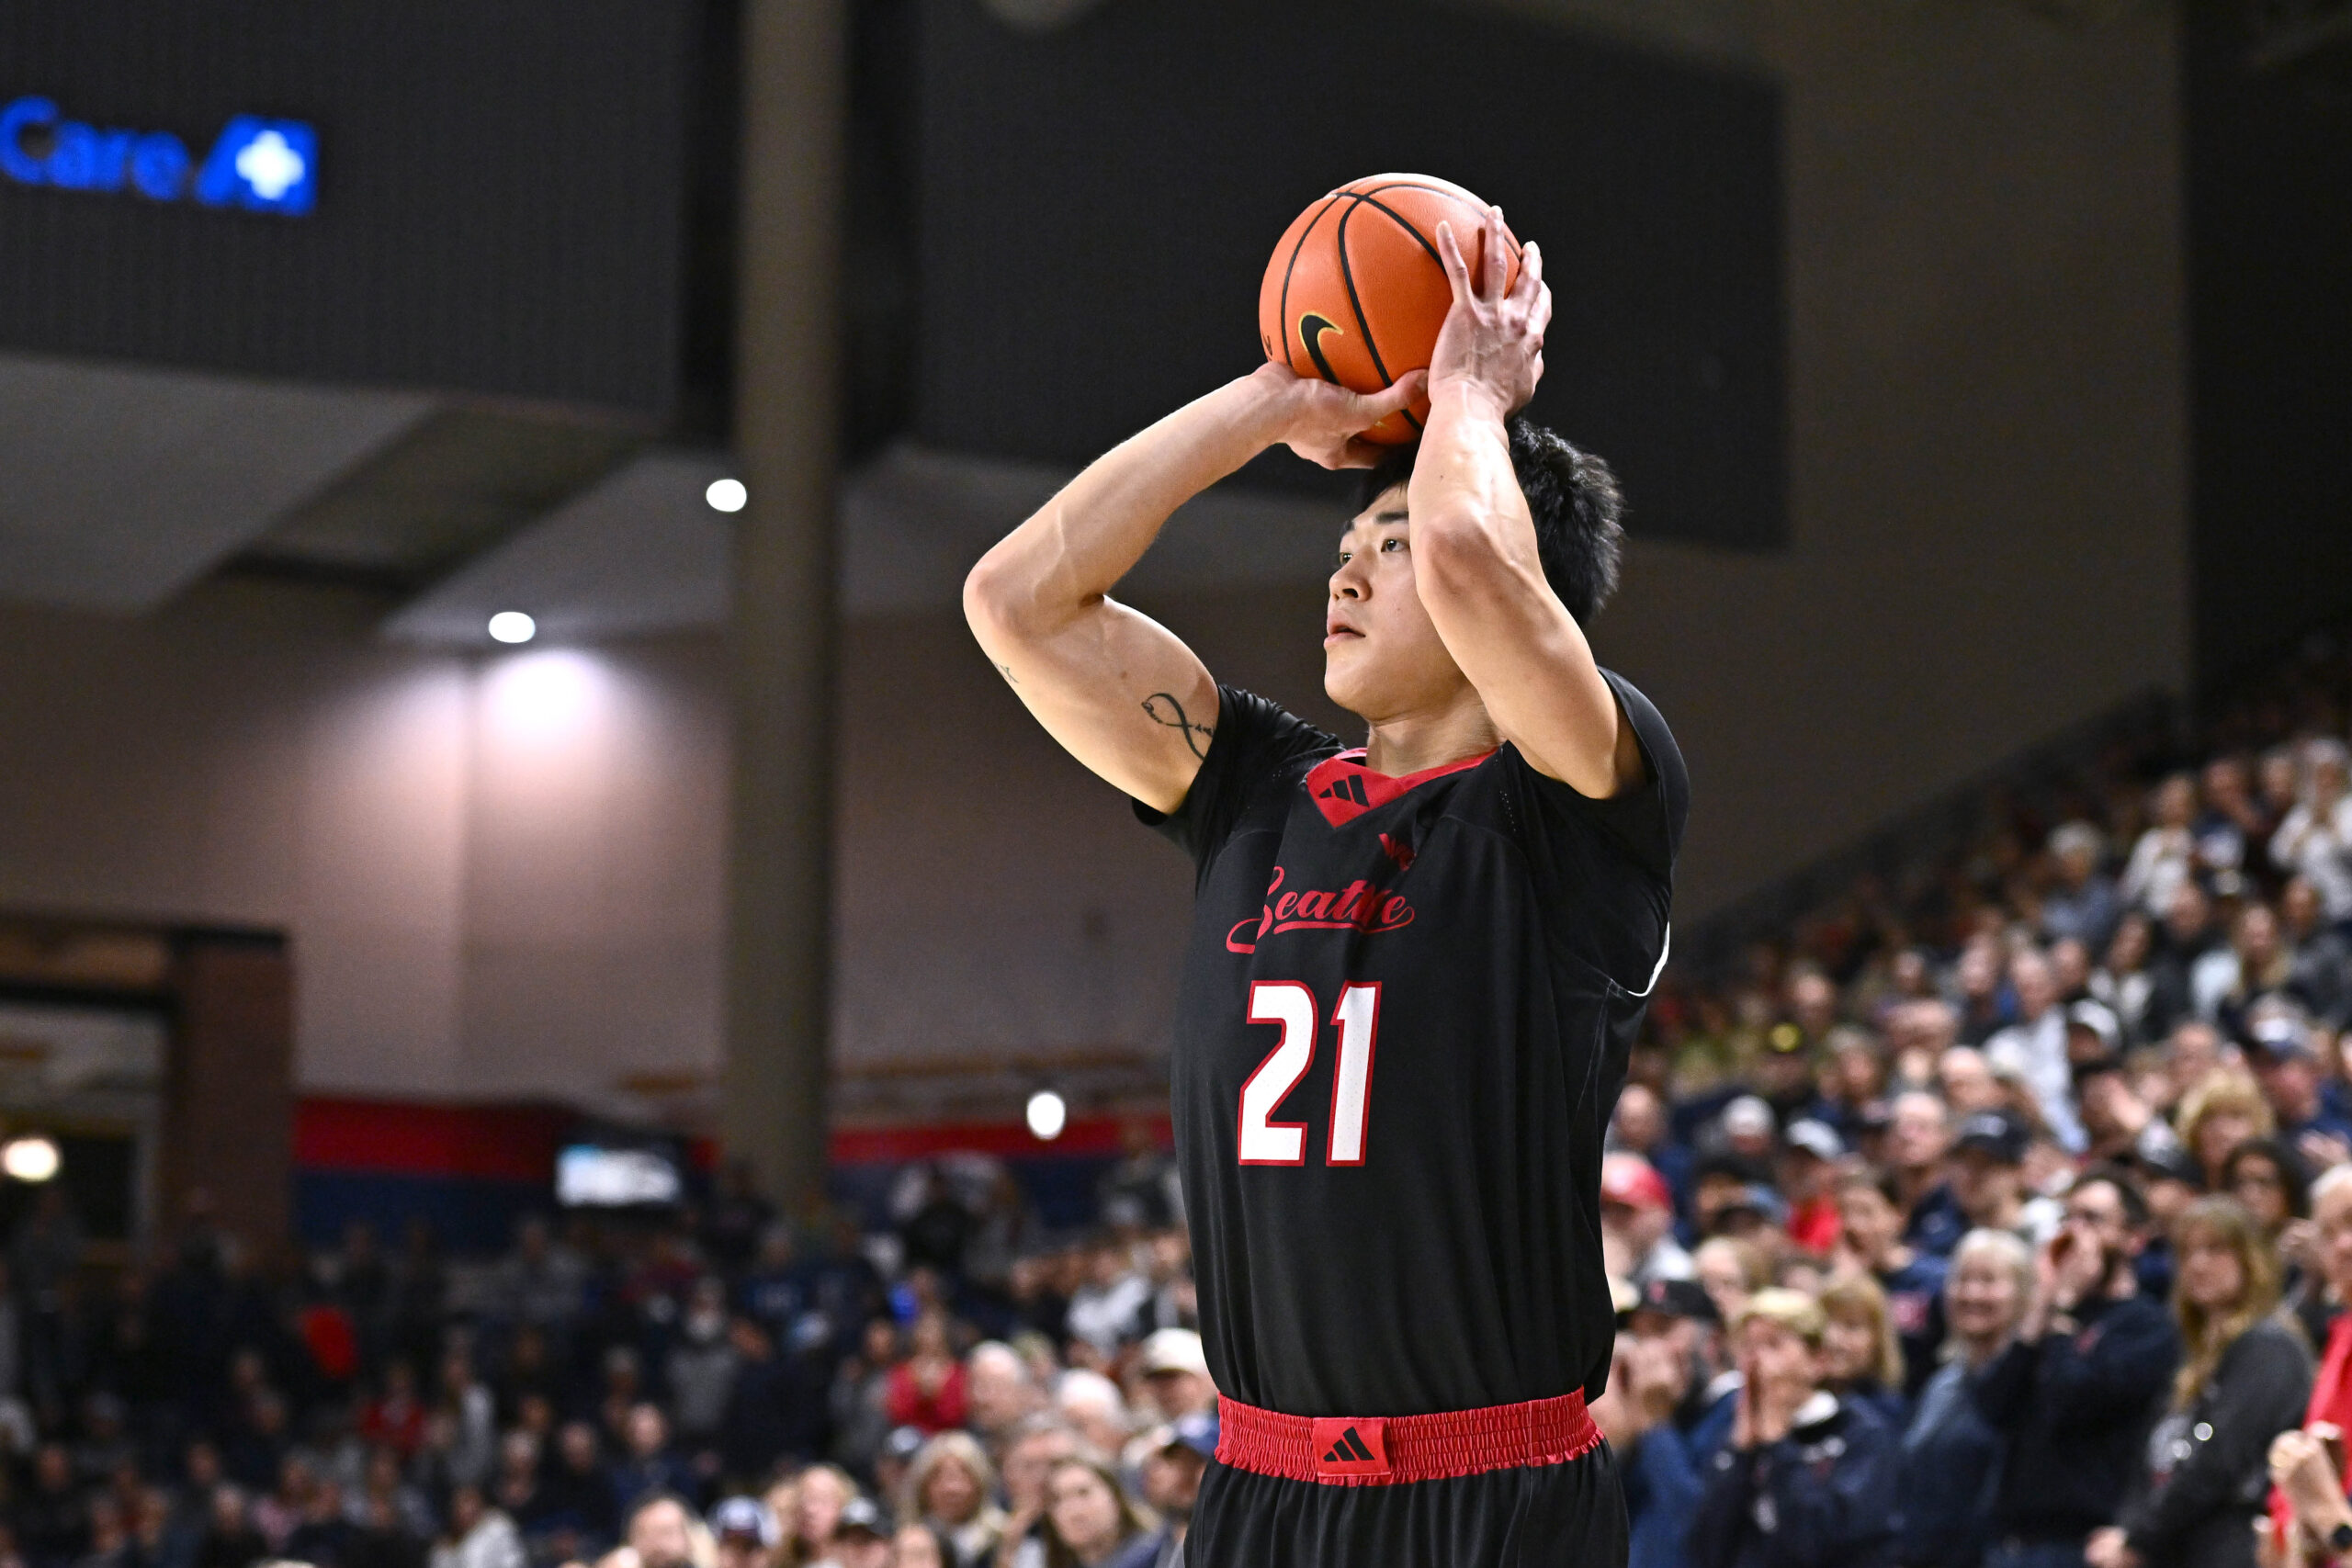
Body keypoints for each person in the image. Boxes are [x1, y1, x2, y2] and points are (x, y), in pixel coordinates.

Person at [964, 205, 1681, 1565]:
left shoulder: (1579, 798)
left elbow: (1477, 557)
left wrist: (1470, 392)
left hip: (1490, 1490)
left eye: (1387, 542)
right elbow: (1018, 602)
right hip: (1260, 1489)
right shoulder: (1259, 791)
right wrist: (1266, 401)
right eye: (1345, 548)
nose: (1347, 571)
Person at [1972, 1171, 2183, 1568]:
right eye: (2068, 1219)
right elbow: (1991, 1407)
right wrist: (2040, 1308)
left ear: (2134, 1238)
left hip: (2084, 1542)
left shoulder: (2148, 1327)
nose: (2075, 1234)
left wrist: (2063, 1308)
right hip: (2011, 1539)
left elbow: (2074, 1398)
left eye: (2093, 1220)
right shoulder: (2050, 1320)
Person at [2089, 1198, 2311, 1568]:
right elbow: (2149, 1460)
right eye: (2187, 1252)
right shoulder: (2192, 1358)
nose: (2197, 1264)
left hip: (2231, 1547)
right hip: (2179, 1548)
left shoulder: (2269, 1346)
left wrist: (2138, 1538)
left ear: (2250, 1258)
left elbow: (2220, 1455)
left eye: (2215, 1249)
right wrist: (2127, 1530)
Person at [1687, 1289, 1899, 1568]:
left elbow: (1817, 1545)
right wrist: (1740, 1454)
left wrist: (1779, 1444)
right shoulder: (1735, 1430)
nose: (1757, 1361)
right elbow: (1707, 1548)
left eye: (1774, 1345)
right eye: (1749, 1347)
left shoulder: (1863, 1435)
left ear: (1818, 1360)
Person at [1900, 1229, 2033, 1568]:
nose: (1971, 1294)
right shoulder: (1941, 1384)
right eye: (1962, 1280)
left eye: (1988, 1281)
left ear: (2022, 1294)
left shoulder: (2034, 1382)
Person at [1817, 1275, 1908, 1429]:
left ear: (1878, 1341)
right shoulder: (1799, 1402)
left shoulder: (1888, 1413)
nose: (1832, 1338)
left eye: (1851, 1326)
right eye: (1825, 1323)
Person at [903, 1432, 1004, 1568]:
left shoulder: (1003, 1537)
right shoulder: (906, 1541)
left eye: (963, 1476)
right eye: (938, 1477)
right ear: (923, 1486)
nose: (951, 1489)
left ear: (980, 1484)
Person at [1038, 1459, 1157, 1568]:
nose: (1073, 1511)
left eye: (1083, 1493)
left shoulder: (1161, 1555)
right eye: (1057, 1500)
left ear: (1115, 1499)